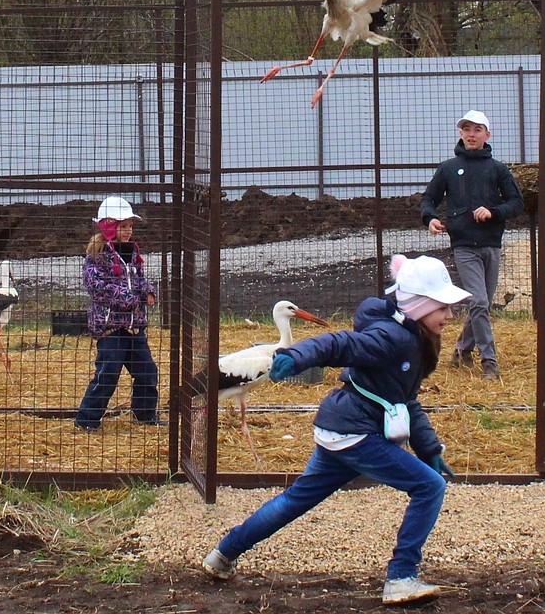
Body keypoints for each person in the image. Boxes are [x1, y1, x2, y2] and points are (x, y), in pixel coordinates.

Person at [201, 254, 471, 607]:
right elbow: (338, 344)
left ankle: (222, 554)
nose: (450, 316)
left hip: (340, 429)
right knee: (429, 487)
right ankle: (401, 577)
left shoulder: (412, 335)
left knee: (295, 500)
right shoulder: (390, 337)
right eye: (443, 307)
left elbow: (407, 399)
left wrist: (429, 447)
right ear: (420, 305)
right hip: (355, 434)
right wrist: (296, 357)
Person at [421, 108, 525, 380]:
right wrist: (430, 219)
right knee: (478, 301)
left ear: (487, 135)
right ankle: (489, 361)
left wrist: (493, 212)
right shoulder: (448, 168)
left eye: (477, 129)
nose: (471, 134)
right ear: (461, 134)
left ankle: (461, 351)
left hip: (491, 244)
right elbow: (428, 200)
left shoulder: (498, 169)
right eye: (466, 129)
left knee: (482, 305)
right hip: (464, 245)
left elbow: (517, 203)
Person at [73, 196, 163, 429]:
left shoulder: (132, 253)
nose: (128, 231)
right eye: (123, 227)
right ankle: (86, 420)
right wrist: (130, 298)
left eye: (130, 227)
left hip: (134, 327)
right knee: (107, 375)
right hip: (111, 328)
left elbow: (139, 281)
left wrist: (148, 291)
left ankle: (145, 415)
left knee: (147, 373)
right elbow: (97, 287)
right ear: (110, 227)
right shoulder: (97, 255)